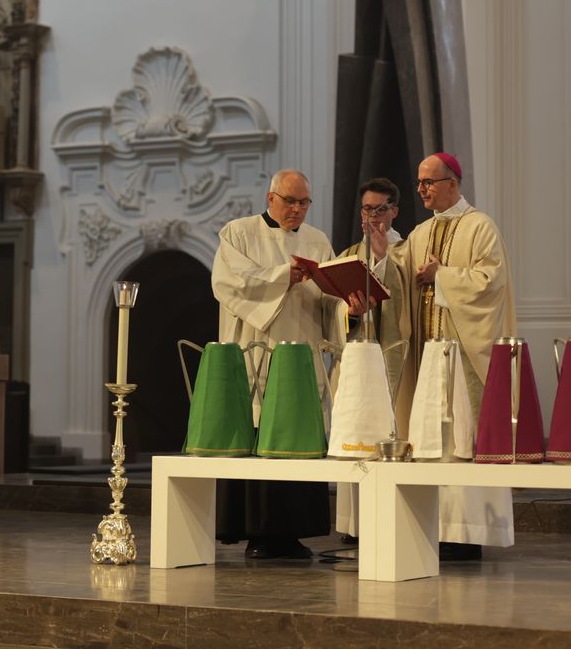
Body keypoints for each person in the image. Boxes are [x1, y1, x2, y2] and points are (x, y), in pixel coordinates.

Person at [210, 169, 352, 559]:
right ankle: (258, 531)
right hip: (257, 352)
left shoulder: (318, 240)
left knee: (298, 432)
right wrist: (282, 277)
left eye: (304, 202)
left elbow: (330, 297)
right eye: (290, 201)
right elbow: (228, 283)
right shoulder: (237, 233)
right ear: (270, 197)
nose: (297, 209)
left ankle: (295, 531)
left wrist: (347, 305)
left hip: (302, 353)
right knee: (261, 431)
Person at [387, 152, 516, 561]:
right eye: (420, 182)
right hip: (427, 356)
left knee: (463, 438)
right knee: (428, 438)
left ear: (453, 183)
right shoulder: (421, 232)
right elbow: (396, 273)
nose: (422, 189)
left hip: (463, 359)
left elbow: (489, 281)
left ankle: (465, 531)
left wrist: (441, 276)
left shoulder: (481, 226)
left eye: (430, 182)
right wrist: (379, 253)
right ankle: (430, 527)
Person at [334, 177, 407, 542]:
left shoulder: (407, 251)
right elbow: (333, 308)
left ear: (393, 211)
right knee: (358, 430)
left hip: (394, 358)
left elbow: (405, 299)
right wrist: (349, 311)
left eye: (380, 210)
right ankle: (357, 526)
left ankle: (394, 522)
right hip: (359, 363)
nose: (372, 217)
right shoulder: (348, 254)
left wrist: (381, 261)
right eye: (366, 209)